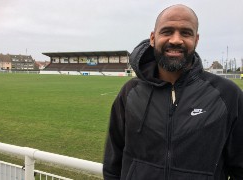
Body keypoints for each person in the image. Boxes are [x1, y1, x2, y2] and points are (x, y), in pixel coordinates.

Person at [103, 4, 243, 180]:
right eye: (167, 31)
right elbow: (112, 164)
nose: (176, 40)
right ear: (153, 38)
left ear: (196, 40)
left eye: (186, 33)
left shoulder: (227, 95)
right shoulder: (130, 93)